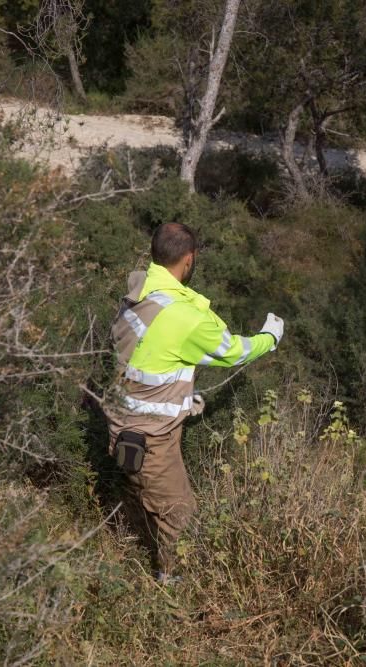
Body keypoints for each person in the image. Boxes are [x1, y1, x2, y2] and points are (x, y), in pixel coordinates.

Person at [105, 222, 284, 579]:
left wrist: (184, 398)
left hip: (124, 423)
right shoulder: (183, 316)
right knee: (180, 516)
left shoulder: (139, 292)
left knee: (142, 500)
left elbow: (149, 359)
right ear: (189, 259)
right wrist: (270, 337)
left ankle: (132, 555)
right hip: (151, 439)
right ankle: (175, 589)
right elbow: (234, 351)